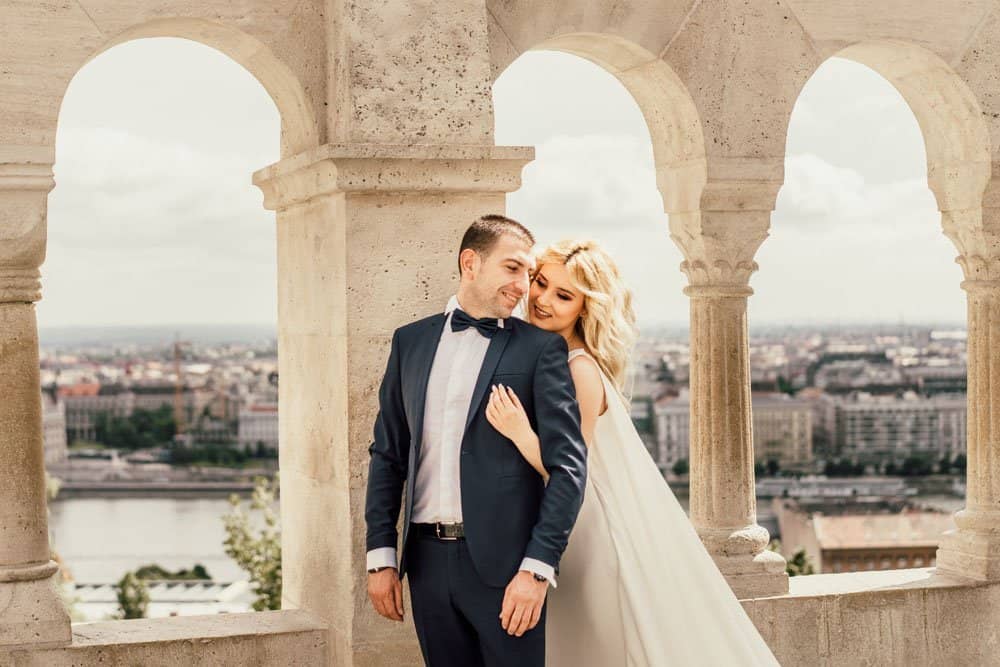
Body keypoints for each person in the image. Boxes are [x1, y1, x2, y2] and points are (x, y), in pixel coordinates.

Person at [486, 239, 781, 666]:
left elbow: (571, 468)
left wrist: (517, 431)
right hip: (566, 528)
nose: (542, 300)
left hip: (590, 537)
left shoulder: (578, 369)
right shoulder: (552, 359)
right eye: (541, 283)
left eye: (563, 295)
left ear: (586, 309)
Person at [364, 215, 588, 667]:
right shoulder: (410, 342)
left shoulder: (540, 350)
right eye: (512, 268)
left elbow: (569, 468)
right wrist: (381, 556)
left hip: (508, 571)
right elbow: (388, 455)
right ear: (471, 262)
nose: (524, 286)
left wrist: (537, 570)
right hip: (424, 565)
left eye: (528, 273)